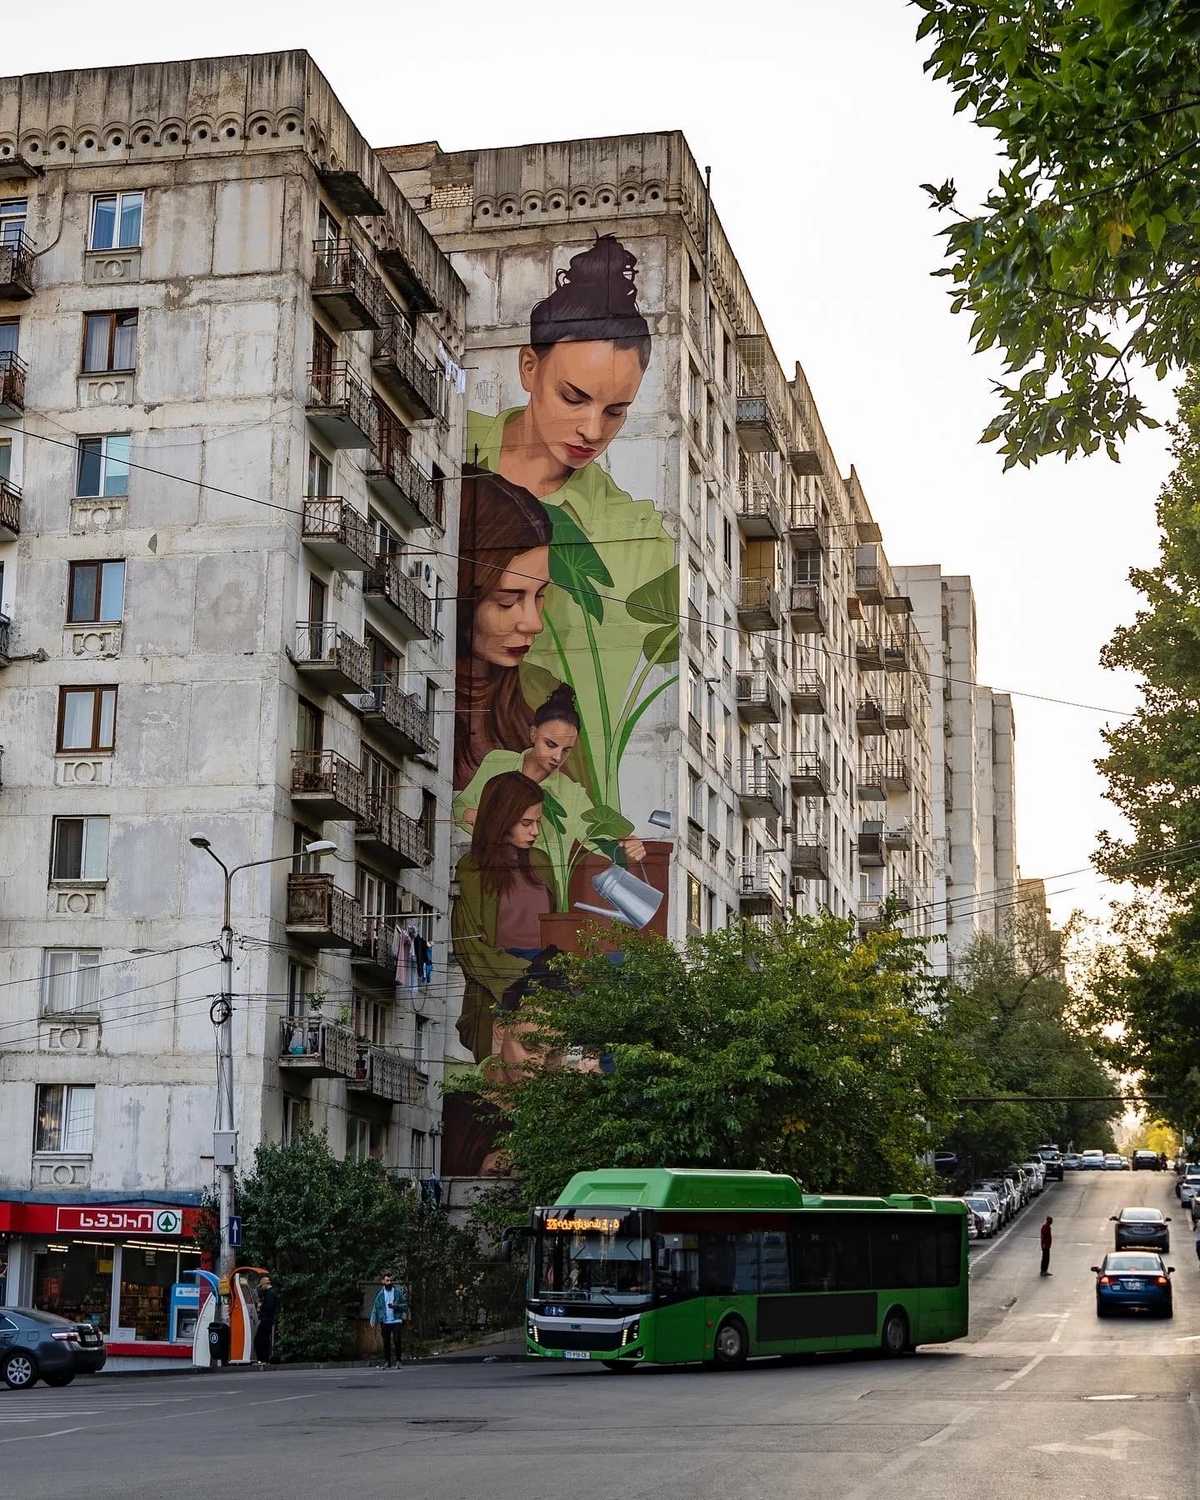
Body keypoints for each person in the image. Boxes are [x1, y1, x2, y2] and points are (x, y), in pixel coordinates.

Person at [464, 235, 677, 811]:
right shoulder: (443, 448)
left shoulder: (639, 542)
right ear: (528, 367)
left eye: (615, 411)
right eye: (573, 397)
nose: (591, 430)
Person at [453, 684, 645, 909]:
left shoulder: (572, 794)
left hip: (538, 895)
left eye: (566, 750)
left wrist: (628, 845)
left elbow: (599, 839)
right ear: (533, 733)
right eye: (551, 744)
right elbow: (458, 808)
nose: (557, 756)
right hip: (487, 883)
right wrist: (485, 818)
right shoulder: (498, 762)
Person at [454, 469, 554, 790]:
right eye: (508, 600)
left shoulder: (538, 715)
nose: (533, 623)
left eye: (539, 597)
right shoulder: (423, 705)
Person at [451, 772, 558, 1065]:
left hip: (546, 991)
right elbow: (468, 945)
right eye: (526, 823)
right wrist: (524, 976)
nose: (535, 831)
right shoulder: (472, 867)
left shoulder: (542, 864)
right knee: (504, 1086)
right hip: (498, 995)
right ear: (500, 819)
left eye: (538, 822)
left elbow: (556, 926)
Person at [369, 1271, 409, 1369]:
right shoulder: (380, 1295)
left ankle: (398, 1361)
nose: (390, 1282)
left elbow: (405, 1306)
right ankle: (387, 1361)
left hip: (396, 1320)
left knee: (397, 1340)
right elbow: (375, 1307)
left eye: (391, 1280)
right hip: (385, 1321)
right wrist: (373, 1319)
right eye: (387, 1280)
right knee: (386, 1342)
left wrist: (396, 1306)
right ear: (383, 1281)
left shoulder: (397, 1292)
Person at [254, 1275, 278, 1367]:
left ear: (264, 1284)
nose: (261, 1288)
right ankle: (264, 1360)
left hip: (266, 1320)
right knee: (264, 1340)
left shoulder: (269, 1294)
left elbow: (268, 1307)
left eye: (261, 1286)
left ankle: (262, 1360)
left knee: (259, 1340)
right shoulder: (271, 1293)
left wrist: (261, 1308)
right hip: (268, 1320)